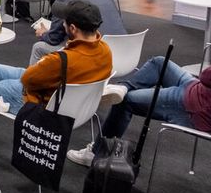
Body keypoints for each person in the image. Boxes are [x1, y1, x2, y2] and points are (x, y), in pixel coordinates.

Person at [0, 0, 113, 127]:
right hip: (63, 93)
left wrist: (45, 63)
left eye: (64, 21)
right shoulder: (105, 50)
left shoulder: (61, 59)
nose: (62, 24)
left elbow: (27, 80)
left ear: (73, 28)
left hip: (43, 102)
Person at [67, 61, 211, 167]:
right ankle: (123, 87)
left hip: (195, 106)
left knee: (125, 102)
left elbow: (206, 76)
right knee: (159, 63)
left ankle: (97, 152)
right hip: (197, 89)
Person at [29, 0, 125, 65]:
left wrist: (43, 33)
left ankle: (32, 81)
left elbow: (53, 39)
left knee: (39, 48)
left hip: (94, 54)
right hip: (123, 52)